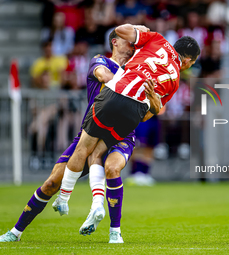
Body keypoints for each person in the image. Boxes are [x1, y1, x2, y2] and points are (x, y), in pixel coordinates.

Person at [0, 26, 155, 244]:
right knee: (52, 182)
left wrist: (154, 102)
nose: (133, 46)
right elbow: (102, 76)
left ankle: (114, 231)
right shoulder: (100, 61)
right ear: (115, 42)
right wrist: (128, 87)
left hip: (121, 135)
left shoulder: (137, 70)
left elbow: (150, 110)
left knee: (112, 168)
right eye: (129, 42)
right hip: (90, 132)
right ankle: (16, 232)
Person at [54, 24, 200, 239]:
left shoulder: (156, 39)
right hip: (134, 112)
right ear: (187, 61)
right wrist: (150, 100)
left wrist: (139, 28)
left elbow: (121, 30)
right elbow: (153, 112)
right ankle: (110, 226)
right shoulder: (175, 79)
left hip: (114, 95)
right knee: (99, 155)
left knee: (84, 149)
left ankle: (65, 198)